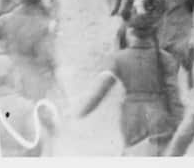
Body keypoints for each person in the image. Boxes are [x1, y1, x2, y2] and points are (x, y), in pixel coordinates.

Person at [76, 11, 185, 156]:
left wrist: (82, 112)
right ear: (155, 31)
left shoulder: (119, 58)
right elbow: (173, 93)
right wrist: (179, 122)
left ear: (132, 32)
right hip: (158, 115)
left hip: (131, 117)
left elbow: (101, 91)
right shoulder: (166, 59)